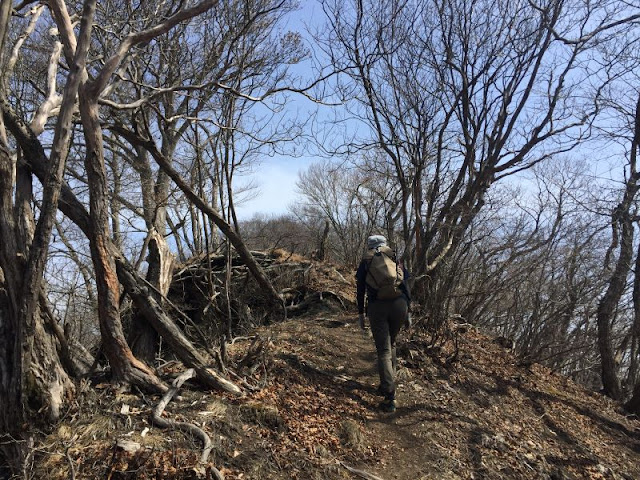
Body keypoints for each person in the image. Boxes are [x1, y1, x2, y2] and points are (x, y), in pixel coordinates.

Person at [356, 235, 411, 413]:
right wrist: (408, 310)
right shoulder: (395, 258)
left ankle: (389, 396)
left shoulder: (367, 261)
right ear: (385, 244)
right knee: (392, 343)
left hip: (377, 306)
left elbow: (360, 289)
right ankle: (389, 383)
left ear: (370, 246)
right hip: (399, 305)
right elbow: (406, 284)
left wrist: (360, 314)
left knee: (384, 351)